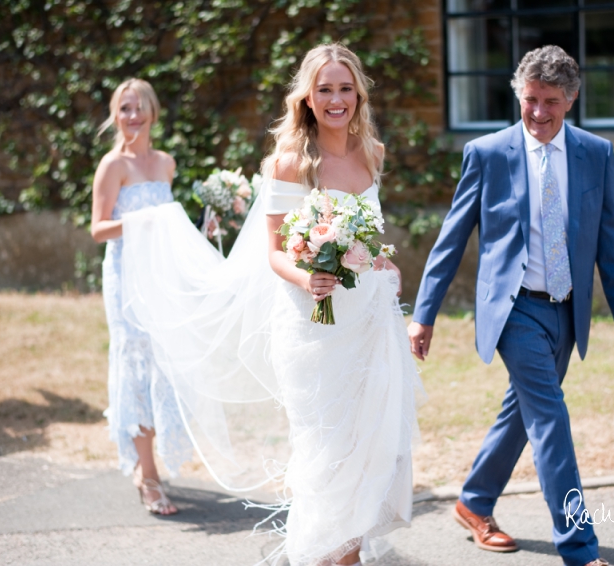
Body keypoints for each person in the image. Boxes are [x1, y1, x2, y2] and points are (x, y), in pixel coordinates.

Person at [117, 44, 425, 566]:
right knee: (326, 449)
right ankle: (335, 554)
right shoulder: (289, 164)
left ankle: (342, 549)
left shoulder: (372, 151)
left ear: (358, 94)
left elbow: (370, 236)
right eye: (324, 89)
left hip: (370, 323)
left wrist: (382, 263)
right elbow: (276, 252)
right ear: (307, 97)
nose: (336, 99)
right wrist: (311, 278)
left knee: (373, 444)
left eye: (345, 88)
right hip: (314, 327)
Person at [408, 45, 614, 566]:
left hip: (566, 311)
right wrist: (423, 314)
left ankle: (473, 503)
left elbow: (612, 242)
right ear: (520, 94)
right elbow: (451, 240)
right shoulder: (488, 154)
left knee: (523, 413)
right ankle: (580, 548)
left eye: (551, 102)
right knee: (551, 422)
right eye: (531, 99)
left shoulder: (596, 154)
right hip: (513, 309)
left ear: (572, 99)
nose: (539, 113)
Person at [90, 78, 193, 515]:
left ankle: (148, 465)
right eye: (124, 109)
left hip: (162, 276)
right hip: (125, 275)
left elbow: (171, 223)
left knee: (163, 365)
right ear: (115, 115)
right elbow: (98, 229)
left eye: (139, 108)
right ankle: (148, 477)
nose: (132, 116)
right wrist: (144, 220)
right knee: (136, 365)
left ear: (153, 112)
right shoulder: (112, 165)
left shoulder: (166, 162)